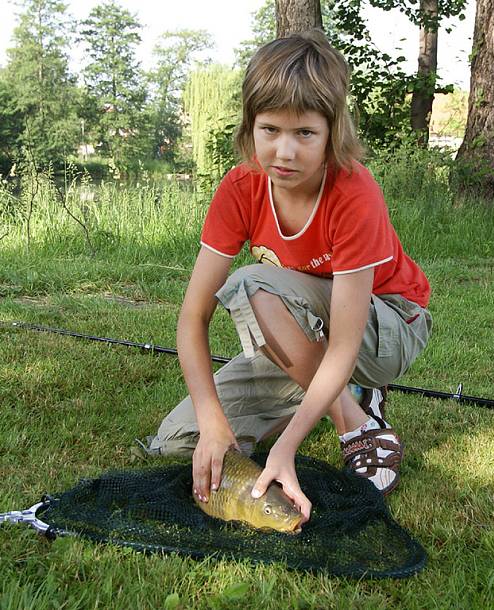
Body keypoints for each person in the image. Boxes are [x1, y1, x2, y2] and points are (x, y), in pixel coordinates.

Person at [143, 30, 432, 525]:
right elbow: (193, 316)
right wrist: (213, 423)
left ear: (332, 132)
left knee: (252, 283)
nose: (284, 152)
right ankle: (334, 391)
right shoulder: (240, 187)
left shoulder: (354, 192)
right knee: (179, 441)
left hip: (387, 327)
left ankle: (357, 423)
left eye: (304, 134)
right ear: (250, 127)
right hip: (301, 330)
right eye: (270, 129)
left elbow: (344, 343)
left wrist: (287, 449)